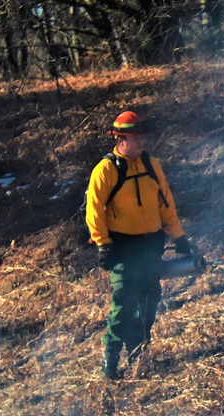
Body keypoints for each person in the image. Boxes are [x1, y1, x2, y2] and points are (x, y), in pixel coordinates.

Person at [85, 110, 201, 380]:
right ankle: (110, 363)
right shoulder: (106, 170)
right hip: (123, 248)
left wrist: (179, 236)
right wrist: (103, 244)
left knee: (149, 301)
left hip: (151, 245)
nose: (141, 143)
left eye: (142, 138)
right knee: (123, 304)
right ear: (120, 139)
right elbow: (94, 210)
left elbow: (166, 203)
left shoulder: (151, 164)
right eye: (135, 138)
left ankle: (138, 354)